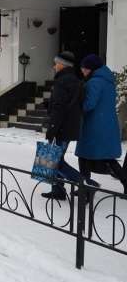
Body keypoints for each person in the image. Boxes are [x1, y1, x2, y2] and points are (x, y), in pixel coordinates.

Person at [76, 54, 127, 194]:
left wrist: (77, 105)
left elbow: (89, 104)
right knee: (109, 158)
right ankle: (126, 184)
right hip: (106, 124)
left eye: (85, 69)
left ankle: (84, 188)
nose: (83, 71)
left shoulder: (94, 82)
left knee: (83, 157)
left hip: (94, 126)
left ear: (92, 69)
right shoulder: (108, 81)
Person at [42, 51, 84, 200]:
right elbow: (70, 105)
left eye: (56, 63)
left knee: (55, 161)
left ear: (62, 65)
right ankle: (57, 189)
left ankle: (84, 184)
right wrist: (51, 104)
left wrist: (52, 129)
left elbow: (60, 108)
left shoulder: (62, 81)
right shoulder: (75, 80)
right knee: (54, 158)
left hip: (61, 127)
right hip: (69, 126)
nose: (54, 66)